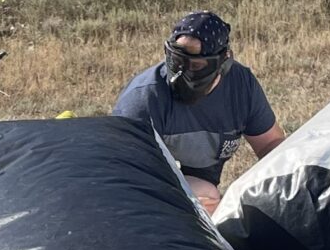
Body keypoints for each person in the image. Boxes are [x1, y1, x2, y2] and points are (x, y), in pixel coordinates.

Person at [112, 12, 285, 214]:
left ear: (223, 63)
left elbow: (271, 146)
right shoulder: (144, 99)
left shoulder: (240, 86)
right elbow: (124, 177)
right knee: (205, 197)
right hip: (150, 187)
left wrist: (282, 193)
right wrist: (179, 202)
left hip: (201, 177)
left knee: (211, 197)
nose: (181, 74)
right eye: (177, 61)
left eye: (196, 66)